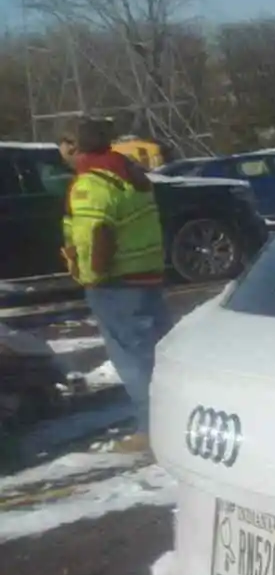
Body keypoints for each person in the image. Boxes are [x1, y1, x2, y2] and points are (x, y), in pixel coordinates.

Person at [60, 117, 171, 454]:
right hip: (146, 275)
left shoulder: (90, 183)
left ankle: (153, 432)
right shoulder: (129, 172)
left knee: (134, 361)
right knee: (158, 355)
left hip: (115, 284)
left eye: (62, 144)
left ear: (73, 146)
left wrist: (89, 276)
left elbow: (95, 234)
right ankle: (174, 422)